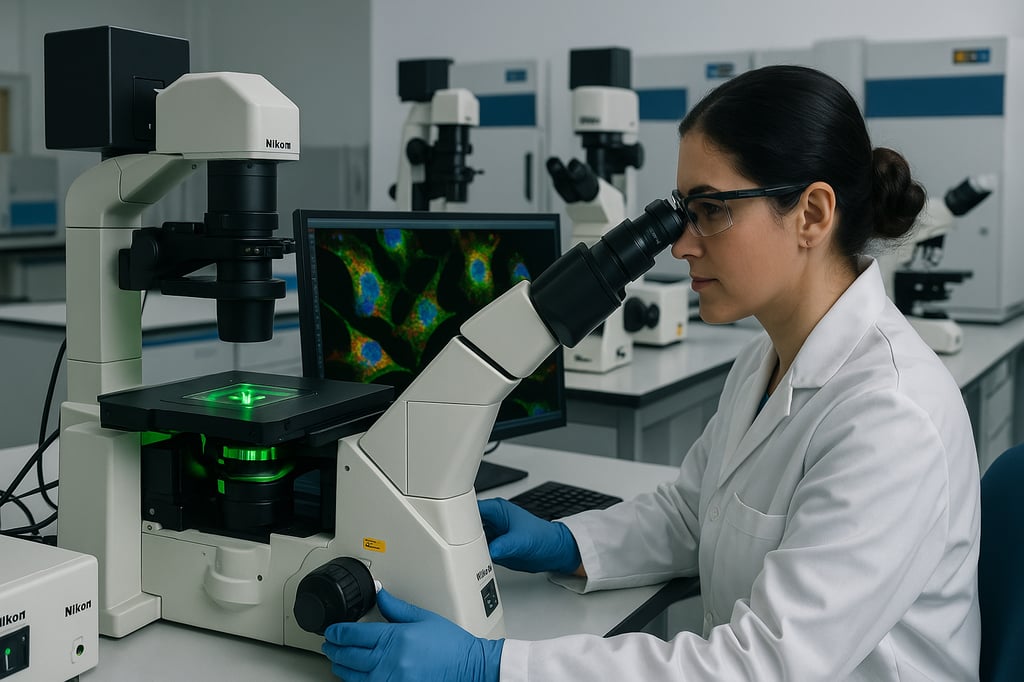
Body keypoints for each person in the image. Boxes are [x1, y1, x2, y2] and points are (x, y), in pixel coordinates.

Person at [320, 65, 981, 681]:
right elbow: (696, 517)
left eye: (711, 211)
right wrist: (563, 542)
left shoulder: (892, 416)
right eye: (682, 213)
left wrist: (493, 667)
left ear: (810, 214)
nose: (683, 244)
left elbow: (760, 668)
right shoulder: (767, 356)